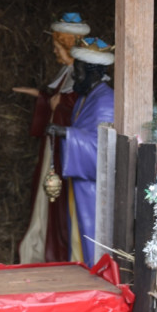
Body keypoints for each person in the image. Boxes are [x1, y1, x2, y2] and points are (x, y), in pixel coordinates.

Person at [15, 12, 92, 264]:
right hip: (55, 144)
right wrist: (40, 96)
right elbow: (56, 99)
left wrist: (54, 102)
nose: (55, 53)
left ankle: (58, 252)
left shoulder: (84, 80)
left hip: (67, 148)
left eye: (58, 47)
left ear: (70, 46)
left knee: (59, 199)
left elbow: (73, 107)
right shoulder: (67, 73)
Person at [46, 39, 115, 264]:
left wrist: (66, 133)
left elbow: (101, 147)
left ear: (92, 72)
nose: (74, 77)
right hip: (82, 184)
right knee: (79, 230)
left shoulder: (105, 101)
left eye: (77, 71)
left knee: (92, 232)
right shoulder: (86, 97)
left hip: (95, 188)